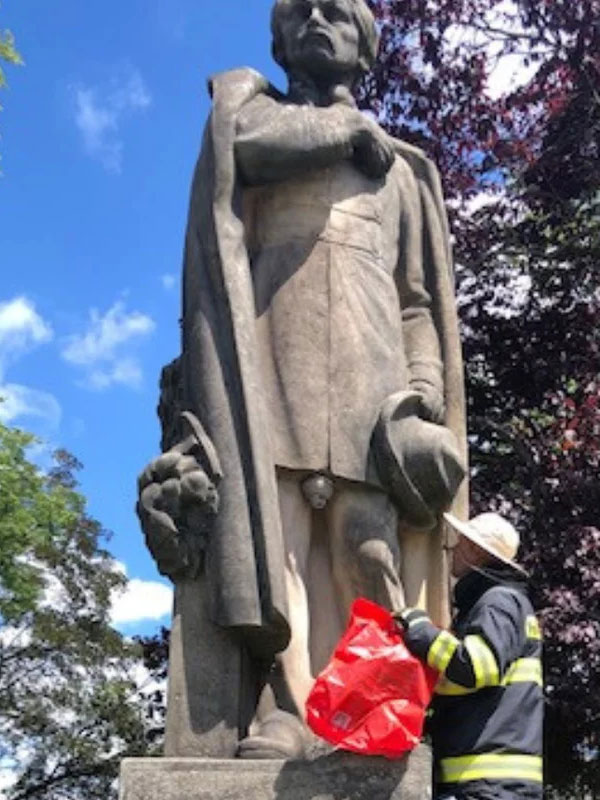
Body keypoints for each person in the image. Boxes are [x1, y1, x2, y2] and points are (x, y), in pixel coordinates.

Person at [137, 0, 466, 758]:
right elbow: (241, 146)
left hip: (371, 369)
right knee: (275, 542)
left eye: (338, 13)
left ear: (366, 46)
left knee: (367, 545)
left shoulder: (405, 173)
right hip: (269, 359)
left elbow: (418, 301)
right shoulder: (252, 121)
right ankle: (285, 713)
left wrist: (423, 394)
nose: (318, 21)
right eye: (301, 13)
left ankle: (365, 712)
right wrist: (343, 132)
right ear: (281, 40)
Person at [396, 512, 544, 800]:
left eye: (460, 541)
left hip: (486, 785)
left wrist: (420, 630)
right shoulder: (503, 602)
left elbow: (477, 667)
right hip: (491, 784)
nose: (453, 549)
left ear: (476, 551)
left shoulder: (497, 601)